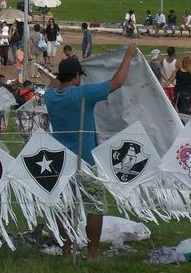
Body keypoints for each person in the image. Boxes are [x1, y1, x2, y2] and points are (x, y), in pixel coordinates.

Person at [44, 44, 136, 261]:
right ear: (77, 76)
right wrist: (128, 56)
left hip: (60, 161)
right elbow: (117, 82)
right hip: (86, 161)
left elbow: (54, 83)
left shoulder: (50, 96)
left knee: (64, 207)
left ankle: (66, 250)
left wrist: (69, 70)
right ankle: (92, 252)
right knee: (95, 206)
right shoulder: (82, 94)